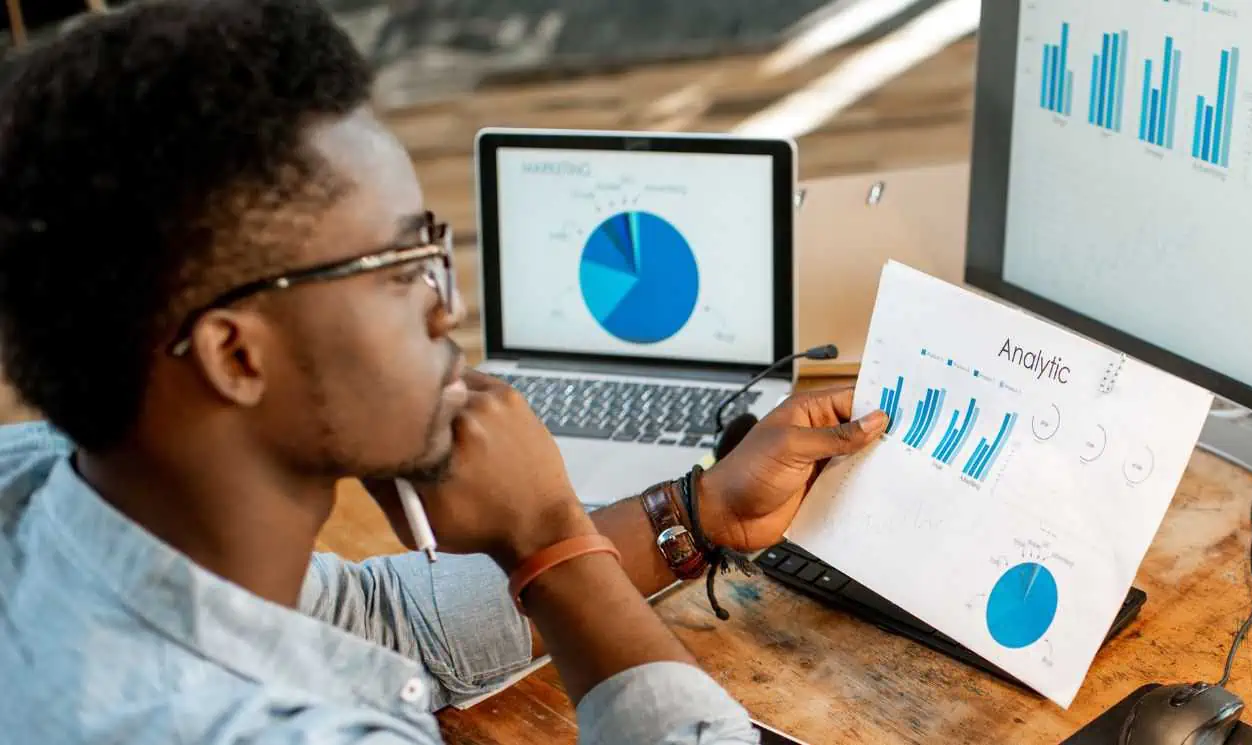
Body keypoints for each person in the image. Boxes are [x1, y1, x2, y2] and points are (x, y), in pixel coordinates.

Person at [0, 1, 886, 743]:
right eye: (396, 268)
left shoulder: (47, 488)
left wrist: (692, 514)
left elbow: (375, 623)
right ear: (237, 355)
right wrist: (549, 534)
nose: (443, 307)